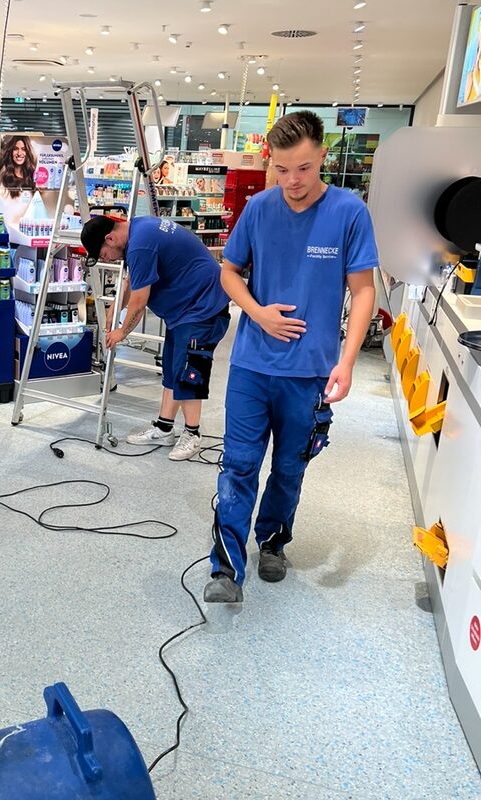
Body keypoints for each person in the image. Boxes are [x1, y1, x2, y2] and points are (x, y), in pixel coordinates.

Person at [204, 110, 378, 604]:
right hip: (252, 367)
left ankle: (273, 541)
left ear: (322, 155)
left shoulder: (349, 212)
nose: (293, 181)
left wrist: (346, 362)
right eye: (281, 169)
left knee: (288, 468)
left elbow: (363, 291)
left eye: (302, 167)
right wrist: (258, 313)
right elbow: (229, 272)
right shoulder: (259, 209)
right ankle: (225, 570)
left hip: (310, 372)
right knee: (238, 464)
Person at [80, 214, 231, 461]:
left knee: (189, 372)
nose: (108, 259)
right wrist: (115, 308)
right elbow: (133, 279)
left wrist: (121, 332)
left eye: (104, 254)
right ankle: (164, 428)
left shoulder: (139, 244)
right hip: (185, 310)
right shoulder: (139, 229)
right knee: (173, 369)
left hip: (202, 309)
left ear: (110, 238)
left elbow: (140, 302)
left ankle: (193, 434)